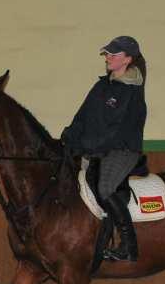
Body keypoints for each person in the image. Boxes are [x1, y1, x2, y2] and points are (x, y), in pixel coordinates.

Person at [61, 35, 147, 262]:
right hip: (95, 148)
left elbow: (116, 131)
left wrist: (86, 146)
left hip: (122, 149)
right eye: (107, 53)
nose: (107, 57)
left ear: (127, 59)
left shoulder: (131, 92)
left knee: (106, 188)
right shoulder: (101, 86)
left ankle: (128, 246)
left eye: (113, 54)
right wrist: (68, 137)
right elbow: (82, 117)